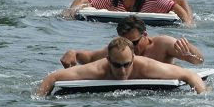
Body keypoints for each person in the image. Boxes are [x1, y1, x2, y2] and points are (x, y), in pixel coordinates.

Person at [37, 37, 206, 96]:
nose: (123, 71)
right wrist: (39, 101)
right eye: (117, 65)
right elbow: (53, 77)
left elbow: (190, 75)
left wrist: (204, 99)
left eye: (127, 64)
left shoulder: (147, 67)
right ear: (108, 60)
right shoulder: (97, 69)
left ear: (133, 58)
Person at [61, 15, 204, 68]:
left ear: (145, 35)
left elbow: (200, 60)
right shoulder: (121, 49)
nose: (130, 47)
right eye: (126, 42)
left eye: (134, 43)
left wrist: (188, 55)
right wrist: (74, 53)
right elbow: (91, 57)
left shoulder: (163, 43)